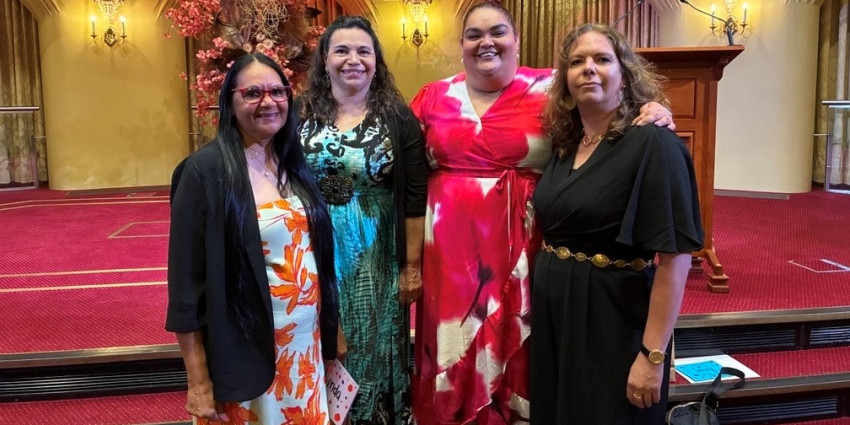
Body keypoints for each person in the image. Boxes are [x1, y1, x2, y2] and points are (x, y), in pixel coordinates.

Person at [409, 2, 675, 424]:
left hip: (530, 254)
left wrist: (655, 108)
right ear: (460, 45)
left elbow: (608, 110)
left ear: (516, 40)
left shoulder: (551, 89)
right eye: (474, 34)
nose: (486, 42)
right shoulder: (432, 97)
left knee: (529, 357)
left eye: (497, 31)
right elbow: (406, 174)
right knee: (453, 350)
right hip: (452, 258)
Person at [529, 23, 704, 424]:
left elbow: (675, 259)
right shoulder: (564, 145)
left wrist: (652, 356)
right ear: (565, 84)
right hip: (558, 317)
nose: (588, 69)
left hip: (613, 318)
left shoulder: (654, 143)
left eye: (602, 59)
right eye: (576, 62)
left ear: (624, 75)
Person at [166, 52, 339, 424]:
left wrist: (331, 328)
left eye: (278, 91)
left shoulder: (293, 161)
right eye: (253, 93)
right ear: (229, 101)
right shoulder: (204, 172)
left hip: (304, 353)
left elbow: (320, 254)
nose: (269, 102)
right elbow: (185, 289)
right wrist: (197, 382)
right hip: (248, 354)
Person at [297, 16, 427, 425]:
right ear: (324, 60)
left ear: (376, 60)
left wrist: (410, 266)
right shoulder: (300, 112)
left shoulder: (399, 118)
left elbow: (414, 197)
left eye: (363, 51)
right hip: (313, 251)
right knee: (313, 340)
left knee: (370, 350)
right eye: (341, 50)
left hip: (375, 258)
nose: (353, 60)